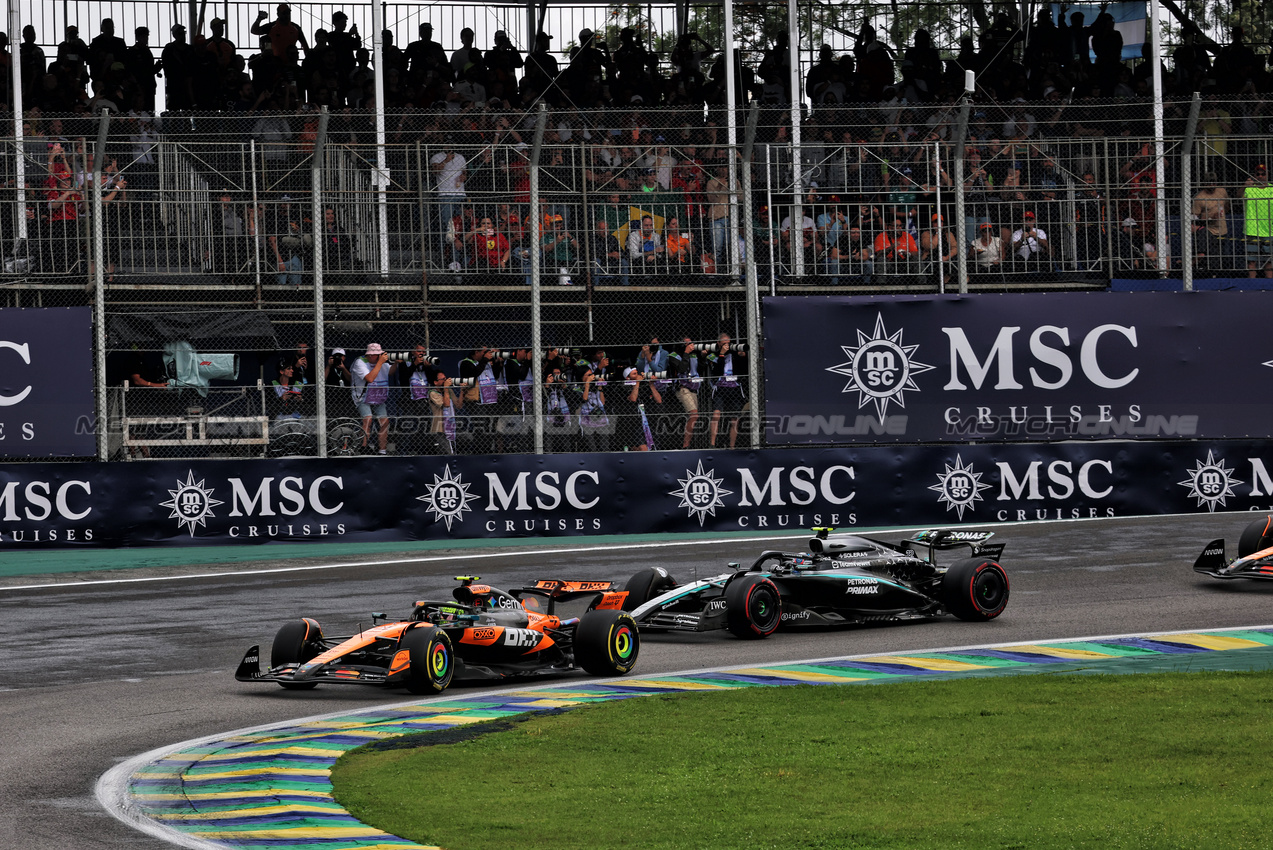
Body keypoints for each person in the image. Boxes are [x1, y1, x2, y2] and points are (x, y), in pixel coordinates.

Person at [351, 342, 397, 455]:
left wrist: (396, 363)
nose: (379, 357)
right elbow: (370, 378)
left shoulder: (381, 363)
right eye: (377, 355)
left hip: (378, 396)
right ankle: (363, 447)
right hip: (363, 396)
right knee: (368, 419)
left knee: (385, 422)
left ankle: (382, 450)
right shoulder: (360, 362)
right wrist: (380, 362)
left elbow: (390, 372)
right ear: (370, 355)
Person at [705, 333, 746, 449]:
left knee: (735, 419)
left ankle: (732, 446)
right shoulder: (712, 355)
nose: (726, 346)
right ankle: (712, 444)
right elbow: (717, 371)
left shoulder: (735, 353)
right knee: (716, 415)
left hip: (734, 387)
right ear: (718, 343)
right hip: (720, 387)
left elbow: (743, 368)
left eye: (728, 343)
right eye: (724, 344)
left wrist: (743, 356)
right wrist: (722, 354)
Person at [668, 338, 704, 449]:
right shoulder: (673, 355)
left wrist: (702, 356)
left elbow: (701, 369)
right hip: (683, 388)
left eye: (691, 343)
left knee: (693, 417)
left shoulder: (694, 354)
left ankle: (688, 443)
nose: (690, 345)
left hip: (694, 388)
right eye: (687, 343)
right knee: (694, 415)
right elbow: (682, 369)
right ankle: (686, 445)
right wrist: (686, 353)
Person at [1191, 171, 1229, 273]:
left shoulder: (1222, 191)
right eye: (1209, 183)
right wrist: (1209, 217)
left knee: (1225, 259)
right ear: (1204, 183)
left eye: (1213, 183)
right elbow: (1194, 218)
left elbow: (1227, 206)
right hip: (1209, 230)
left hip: (1223, 229)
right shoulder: (1199, 198)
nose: (1212, 185)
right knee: (1212, 260)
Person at [1244, 164, 1273, 278]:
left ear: (1267, 175)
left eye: (1263, 174)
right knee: (1251, 261)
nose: (1260, 176)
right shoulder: (1249, 188)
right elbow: (1238, 196)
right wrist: (1244, 186)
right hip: (1252, 229)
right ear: (1254, 175)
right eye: (1258, 174)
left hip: (1269, 229)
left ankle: (1270, 283)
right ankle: (1252, 283)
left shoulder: (1272, 189)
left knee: (1269, 261)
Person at [427, 367, 462, 454]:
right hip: (439, 429)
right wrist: (446, 388)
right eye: (442, 379)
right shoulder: (432, 393)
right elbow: (446, 404)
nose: (445, 381)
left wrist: (462, 390)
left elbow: (458, 405)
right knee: (448, 453)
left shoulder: (449, 391)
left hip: (451, 427)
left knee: (454, 451)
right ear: (435, 382)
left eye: (445, 379)